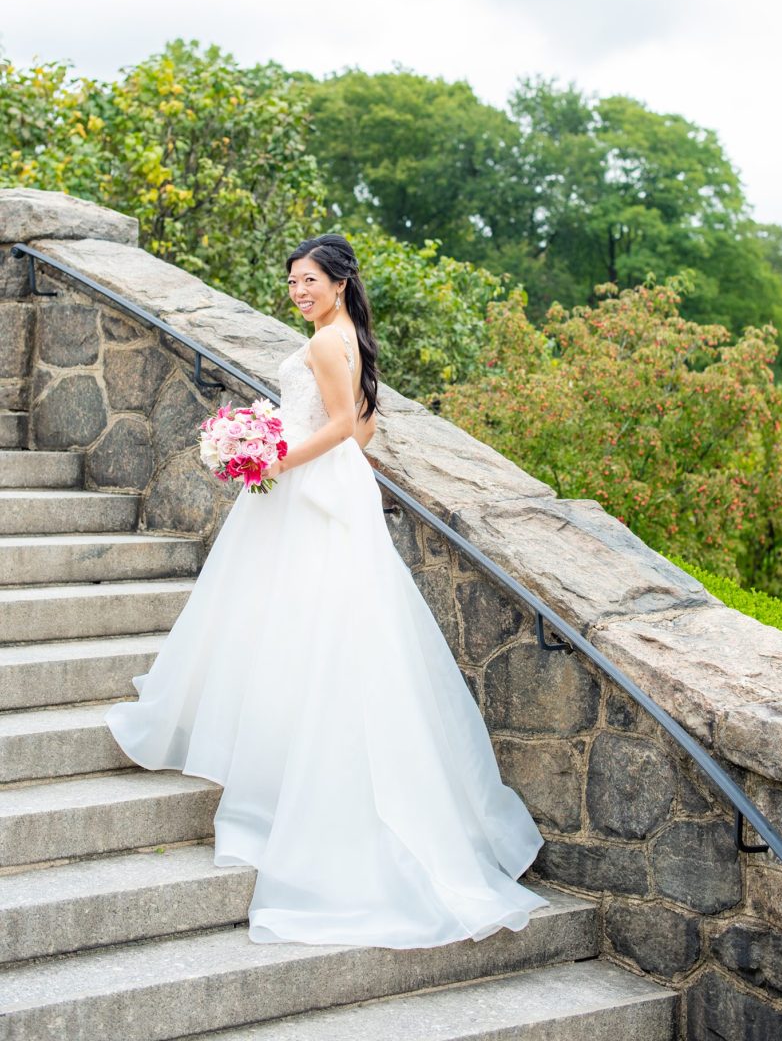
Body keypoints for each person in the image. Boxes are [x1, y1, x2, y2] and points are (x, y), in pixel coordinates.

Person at [105, 233, 549, 948]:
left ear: (339, 282)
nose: (299, 291)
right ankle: (290, 761)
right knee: (316, 627)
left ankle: (292, 777)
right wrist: (275, 444)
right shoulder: (349, 340)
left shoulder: (323, 345)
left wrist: (271, 453)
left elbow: (343, 427)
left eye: (309, 280)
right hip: (329, 488)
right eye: (292, 281)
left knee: (297, 624)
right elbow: (364, 432)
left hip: (310, 487)